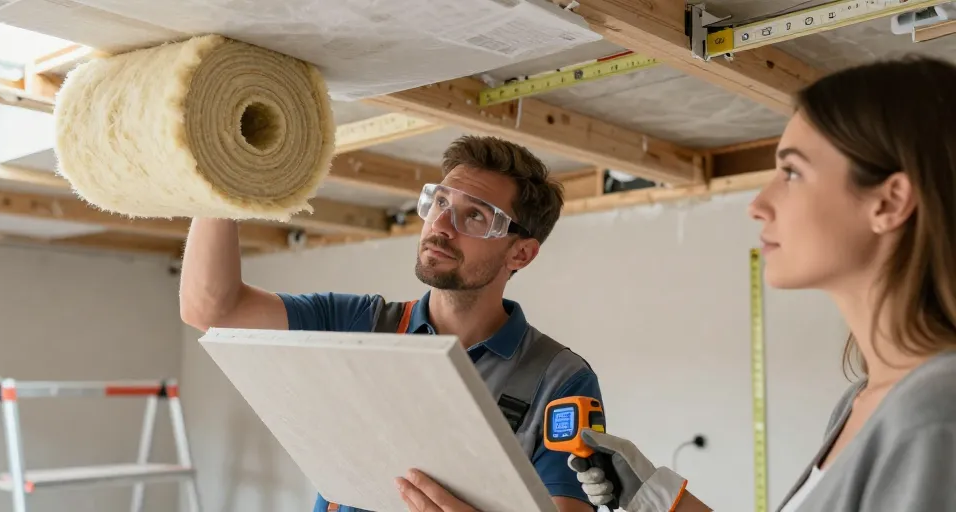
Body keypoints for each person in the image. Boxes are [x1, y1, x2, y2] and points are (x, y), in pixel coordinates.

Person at [394, 57, 956, 512]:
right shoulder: (864, 399)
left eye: (792, 172)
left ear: (889, 202)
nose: (759, 204)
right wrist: (657, 498)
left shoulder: (935, 417)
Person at [179, 135, 603, 512]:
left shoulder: (559, 379)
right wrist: (224, 164)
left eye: (474, 216)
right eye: (439, 203)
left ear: (521, 254)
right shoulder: (359, 325)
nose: (439, 226)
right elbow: (211, 309)